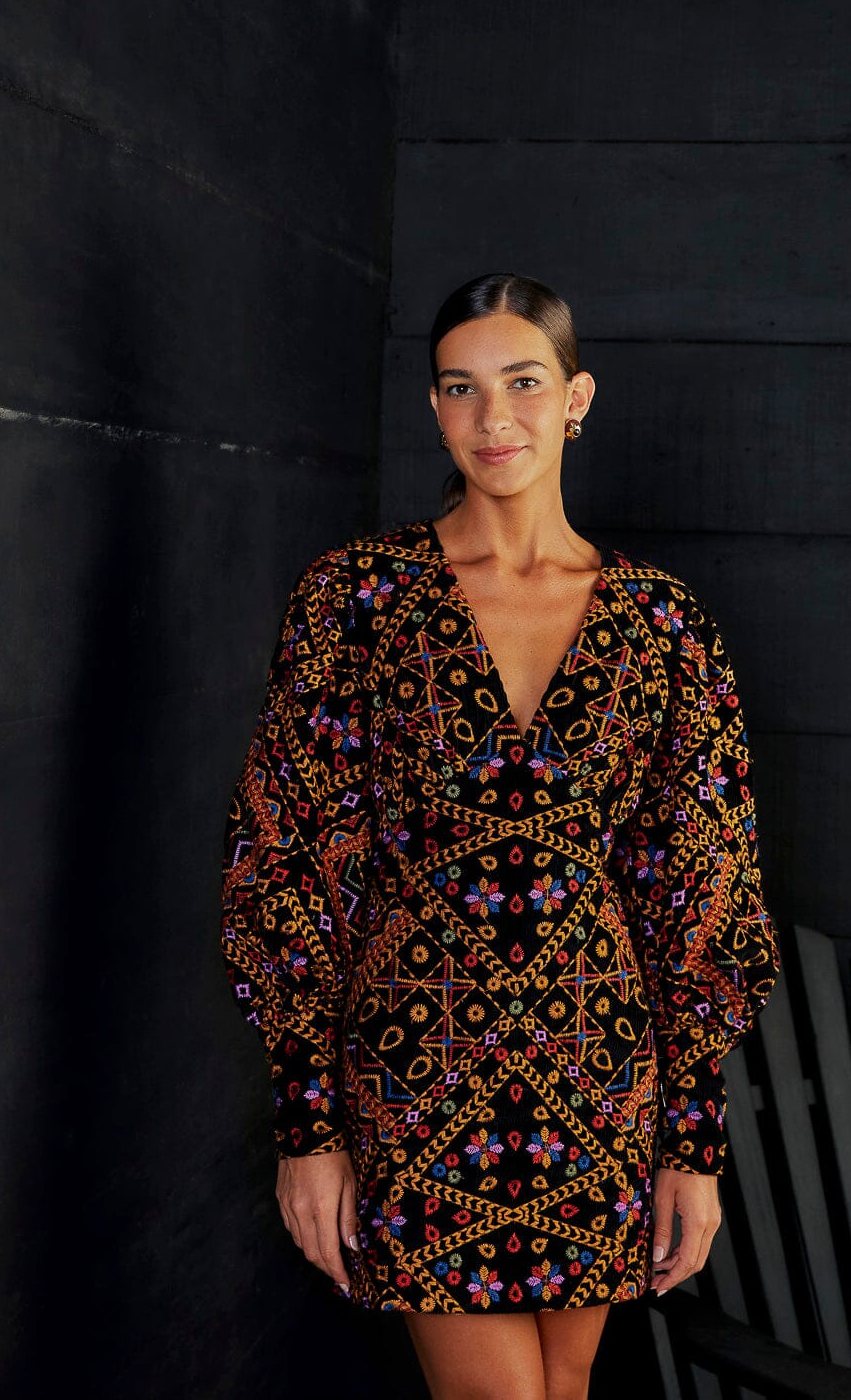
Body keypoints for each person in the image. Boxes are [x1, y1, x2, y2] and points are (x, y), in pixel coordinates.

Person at [220, 272, 780, 1400]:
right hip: (417, 1071)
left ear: (577, 398)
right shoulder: (355, 598)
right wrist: (308, 1125)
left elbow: (705, 891)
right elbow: (284, 859)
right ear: (434, 408)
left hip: (598, 1072)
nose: (493, 417)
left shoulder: (664, 624)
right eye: (460, 388)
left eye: (523, 382)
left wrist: (693, 1146)